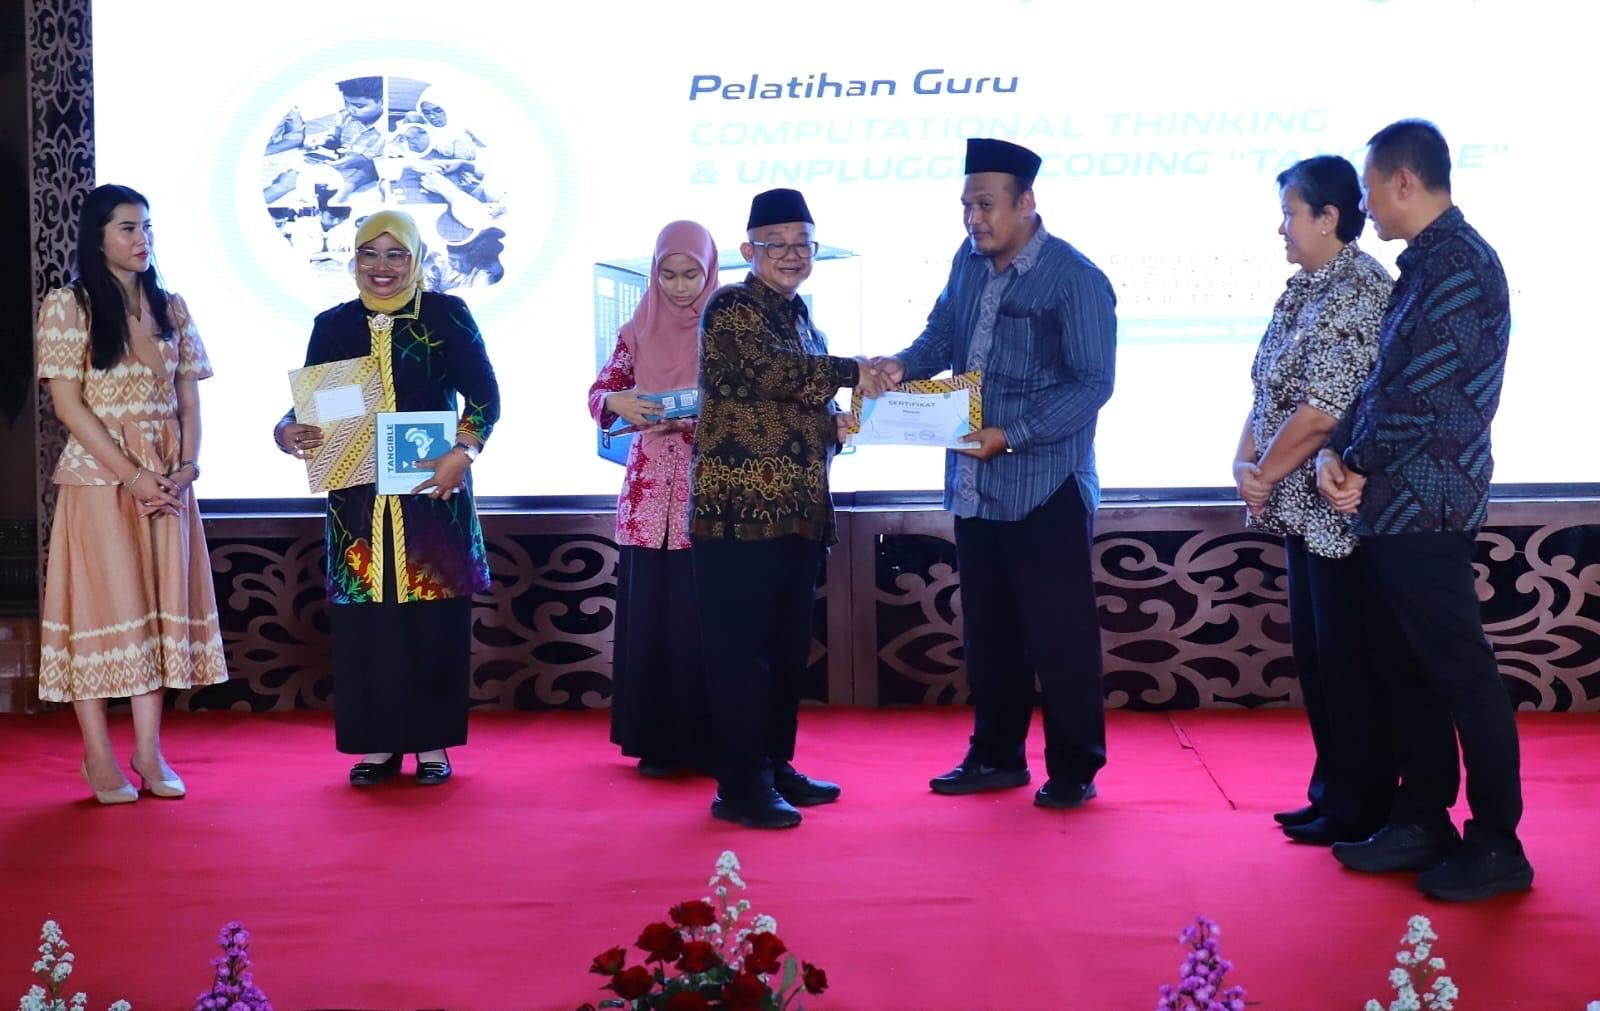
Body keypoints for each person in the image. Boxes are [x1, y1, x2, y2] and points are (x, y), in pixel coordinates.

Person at [1317, 119, 1532, 901]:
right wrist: (1336, 450)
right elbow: (1383, 384)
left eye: (1370, 187)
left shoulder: (1462, 266)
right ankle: (1423, 817)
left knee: (1460, 674)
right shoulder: (1423, 265)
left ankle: (1498, 841)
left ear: (1404, 181)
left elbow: (1425, 398)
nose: (1364, 204)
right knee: (1401, 666)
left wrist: (1353, 459)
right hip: (1391, 503)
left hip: (1429, 503)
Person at [874, 138, 1116, 811]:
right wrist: (902, 365)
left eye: (985, 205)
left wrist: (1012, 435)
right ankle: (996, 756)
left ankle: (1074, 768)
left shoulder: (1074, 278)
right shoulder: (968, 260)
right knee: (990, 630)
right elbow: (941, 334)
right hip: (975, 481)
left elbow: (1093, 384)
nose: (973, 218)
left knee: (1059, 635)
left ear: (1026, 202)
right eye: (966, 205)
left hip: (1046, 483)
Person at [273, 209, 499, 788]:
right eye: (369, 254)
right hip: (357, 505)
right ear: (353, 260)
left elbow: (484, 398)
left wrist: (465, 450)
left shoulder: (445, 315)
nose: (382, 267)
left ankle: (431, 743)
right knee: (367, 626)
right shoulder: (334, 324)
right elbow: (313, 404)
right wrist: (286, 429)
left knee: (433, 620)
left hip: (431, 495)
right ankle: (377, 743)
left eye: (396, 254)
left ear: (416, 258)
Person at [691, 188, 886, 828]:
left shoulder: (805, 321)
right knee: (741, 654)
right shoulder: (732, 307)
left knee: (783, 650)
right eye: (777, 243)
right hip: (738, 517)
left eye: (803, 243)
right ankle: (740, 786)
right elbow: (765, 374)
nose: (792, 254)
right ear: (748, 250)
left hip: (798, 513)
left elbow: (793, 408)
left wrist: (839, 425)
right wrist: (853, 370)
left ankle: (774, 766)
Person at [35, 183, 227, 803]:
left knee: (157, 610)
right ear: (97, 237)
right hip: (100, 478)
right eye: (127, 227)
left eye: (146, 227)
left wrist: (187, 466)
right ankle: (97, 755)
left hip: (167, 481)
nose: (142, 239)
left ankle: (148, 750)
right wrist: (131, 474)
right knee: (102, 610)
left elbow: (188, 398)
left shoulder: (171, 307)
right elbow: (68, 406)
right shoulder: (69, 305)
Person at [1233, 155, 1395, 845]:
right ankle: (1332, 792)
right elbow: (1268, 389)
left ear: (1329, 218)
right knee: (1317, 659)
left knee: (1349, 662)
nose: (1282, 228)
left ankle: (1364, 805)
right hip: (1299, 511)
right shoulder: (1302, 288)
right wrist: (1243, 461)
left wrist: (1263, 474)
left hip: (1339, 513)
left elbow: (1323, 412)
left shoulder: (1361, 288)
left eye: (1291, 214)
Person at [589, 220, 719, 778]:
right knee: (652, 618)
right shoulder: (636, 329)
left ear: (710, 271)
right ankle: (655, 742)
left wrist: (699, 416)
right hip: (646, 498)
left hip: (706, 494)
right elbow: (601, 393)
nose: (680, 286)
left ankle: (707, 742)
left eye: (692, 274)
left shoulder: (726, 331)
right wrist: (619, 402)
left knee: (699, 621)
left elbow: (744, 405)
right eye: (669, 274)